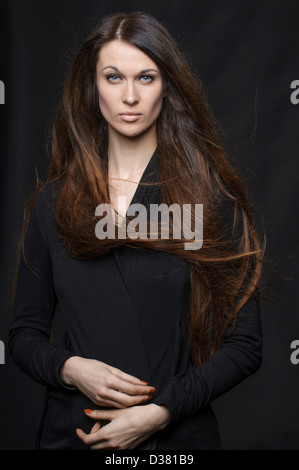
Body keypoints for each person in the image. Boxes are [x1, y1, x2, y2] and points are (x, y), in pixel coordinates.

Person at [9, 11, 264, 450]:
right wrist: (71, 368)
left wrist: (160, 411)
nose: (130, 96)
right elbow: (24, 335)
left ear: (167, 86)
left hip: (177, 439)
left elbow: (244, 346)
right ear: (93, 88)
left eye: (145, 77)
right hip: (73, 434)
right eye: (113, 77)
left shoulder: (208, 201)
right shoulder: (54, 202)